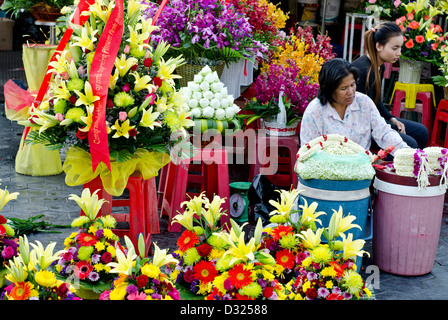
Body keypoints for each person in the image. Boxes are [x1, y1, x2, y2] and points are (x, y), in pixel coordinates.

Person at [300, 58, 408, 155]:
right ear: (329, 89)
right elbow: (308, 152)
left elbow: (383, 132)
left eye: (352, 85)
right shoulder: (314, 112)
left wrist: (404, 151)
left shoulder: (364, 102)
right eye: (344, 88)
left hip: (361, 170)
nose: (351, 92)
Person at [351, 22, 428, 149]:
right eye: (394, 48)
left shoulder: (378, 66)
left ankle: (414, 166)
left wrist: (392, 119)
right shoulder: (364, 70)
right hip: (361, 128)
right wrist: (389, 127)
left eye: (400, 48)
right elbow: (363, 116)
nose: (399, 53)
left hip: (373, 121)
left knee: (421, 132)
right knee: (410, 143)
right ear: (379, 46)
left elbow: (376, 102)